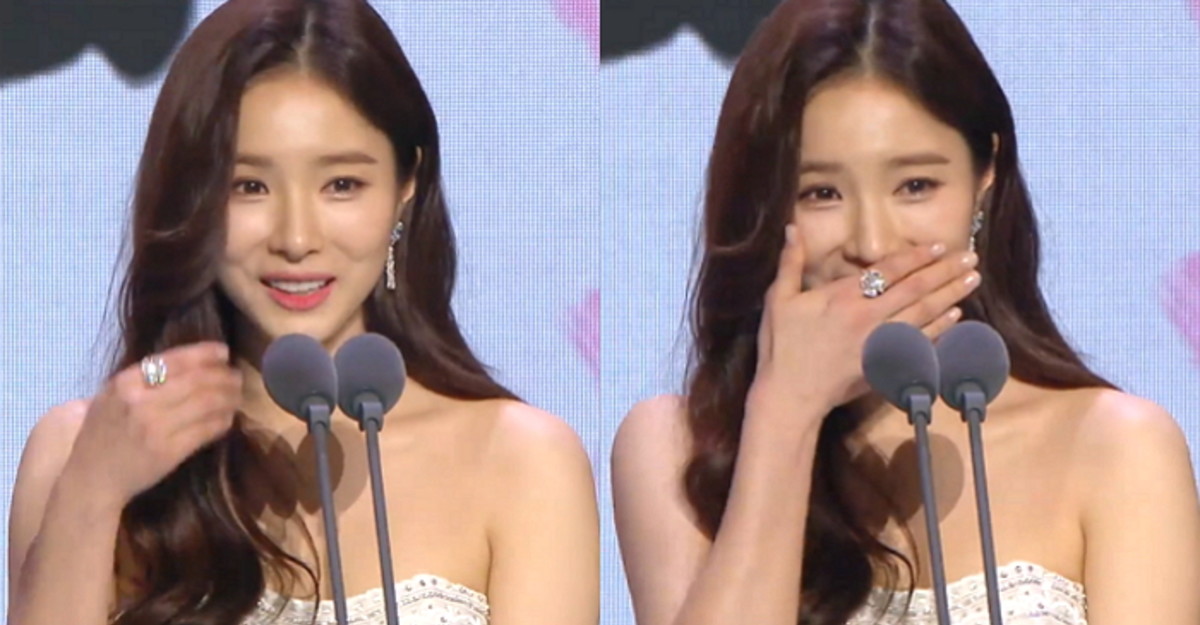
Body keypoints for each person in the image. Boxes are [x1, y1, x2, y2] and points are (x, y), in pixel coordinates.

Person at [6, 1, 600, 624]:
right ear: (193, 196)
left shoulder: (522, 461)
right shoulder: (78, 453)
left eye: (342, 185)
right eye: (249, 187)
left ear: (407, 187)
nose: (295, 238)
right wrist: (94, 493)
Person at [611, 1, 1200, 624]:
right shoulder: (678, 451)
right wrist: (784, 417)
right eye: (821, 193)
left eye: (915, 186)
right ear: (765, 206)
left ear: (985, 178)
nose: (872, 242)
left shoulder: (1117, 447)